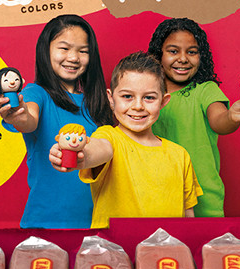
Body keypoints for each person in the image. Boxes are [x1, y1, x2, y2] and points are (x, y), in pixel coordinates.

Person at [49, 51, 201, 228]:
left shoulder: (180, 155)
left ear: (163, 101)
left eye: (149, 98)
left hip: (166, 246)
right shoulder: (109, 137)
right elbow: (98, 149)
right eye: (127, 96)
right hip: (113, 245)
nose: (138, 106)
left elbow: (188, 216)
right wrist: (78, 154)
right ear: (111, 99)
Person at [0, 14, 112, 229]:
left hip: (95, 226)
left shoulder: (100, 102)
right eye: (64, 48)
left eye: (83, 51)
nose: (74, 57)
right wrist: (19, 113)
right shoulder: (36, 93)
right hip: (44, 225)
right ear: (45, 51)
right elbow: (28, 118)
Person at [147, 17, 240, 217]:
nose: (183, 59)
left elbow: (219, 121)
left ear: (201, 56)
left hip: (203, 201)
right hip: (156, 198)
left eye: (192, 52)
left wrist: (232, 116)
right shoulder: (146, 96)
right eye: (173, 51)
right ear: (158, 54)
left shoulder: (205, 90)